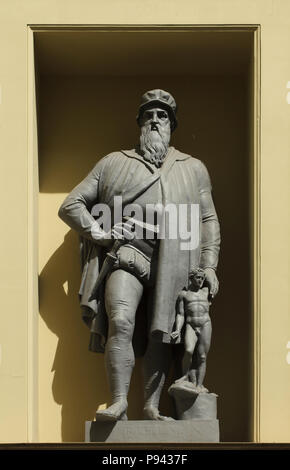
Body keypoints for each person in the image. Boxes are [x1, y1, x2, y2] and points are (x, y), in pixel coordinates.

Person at [58, 89, 220, 421]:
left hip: (176, 260)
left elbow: (207, 219)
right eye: (149, 115)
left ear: (172, 124)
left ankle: (150, 406)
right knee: (120, 319)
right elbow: (71, 204)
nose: (155, 121)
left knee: (160, 330)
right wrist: (100, 233)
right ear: (140, 123)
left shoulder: (193, 168)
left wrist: (209, 264)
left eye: (162, 116)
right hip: (128, 253)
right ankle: (118, 402)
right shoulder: (113, 162)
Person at [171, 268, 212, 393]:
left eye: (202, 278)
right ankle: (185, 375)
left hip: (205, 324)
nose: (200, 280)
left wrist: (210, 271)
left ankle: (200, 385)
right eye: (198, 277)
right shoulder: (184, 294)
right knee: (188, 350)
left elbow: (213, 282)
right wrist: (177, 330)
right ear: (191, 278)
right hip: (191, 325)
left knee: (202, 356)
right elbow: (180, 314)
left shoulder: (206, 291)